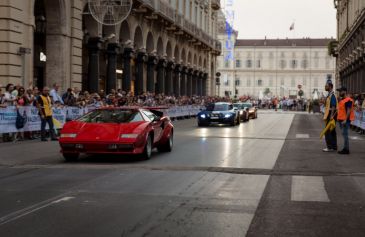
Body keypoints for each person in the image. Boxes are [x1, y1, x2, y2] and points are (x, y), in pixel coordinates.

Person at [336, 87, 355, 154]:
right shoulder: (342, 100)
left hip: (345, 120)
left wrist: (345, 120)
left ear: (344, 91)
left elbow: (349, 110)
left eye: (341, 91)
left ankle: (346, 149)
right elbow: (340, 110)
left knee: (345, 135)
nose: (339, 93)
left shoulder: (348, 100)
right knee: (344, 134)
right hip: (341, 120)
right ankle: (345, 148)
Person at [322, 80, 338, 152]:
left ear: (330, 86)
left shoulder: (332, 95)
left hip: (331, 115)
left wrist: (331, 116)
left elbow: (334, 106)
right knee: (332, 131)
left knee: (328, 131)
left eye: (326, 85)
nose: (325, 86)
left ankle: (330, 147)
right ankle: (334, 147)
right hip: (330, 114)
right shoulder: (329, 95)